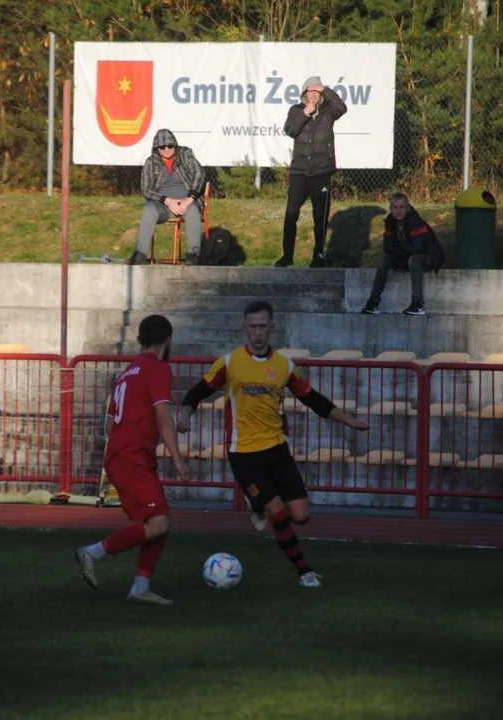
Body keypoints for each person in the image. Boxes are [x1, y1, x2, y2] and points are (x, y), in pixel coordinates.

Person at [177, 300, 368, 588]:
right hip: (243, 454)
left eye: (262, 326)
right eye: (252, 326)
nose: (257, 332)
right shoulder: (229, 363)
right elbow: (197, 392)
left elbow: (312, 399)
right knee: (277, 513)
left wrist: (348, 419)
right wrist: (185, 414)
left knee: (301, 516)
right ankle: (304, 571)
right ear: (244, 328)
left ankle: (256, 502)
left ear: (271, 327)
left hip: (277, 450)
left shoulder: (284, 366)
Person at [75, 314, 189, 605]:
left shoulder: (126, 373)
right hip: (132, 457)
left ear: (139, 340)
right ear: (168, 339)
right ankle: (93, 552)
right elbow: (163, 416)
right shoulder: (158, 368)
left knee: (158, 520)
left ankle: (140, 587)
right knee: (159, 522)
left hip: (120, 455)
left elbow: (110, 424)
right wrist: (177, 457)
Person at [277, 77, 347, 268]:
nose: (314, 95)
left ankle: (318, 255)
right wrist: (305, 113)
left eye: (317, 92)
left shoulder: (328, 112)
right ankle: (287, 255)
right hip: (299, 172)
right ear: (304, 94)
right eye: (311, 91)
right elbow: (290, 131)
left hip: (321, 172)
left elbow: (341, 107)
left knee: (319, 216)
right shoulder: (296, 110)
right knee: (291, 214)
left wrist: (325, 89)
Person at [127, 129, 206, 266]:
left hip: (187, 202)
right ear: (156, 148)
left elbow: (199, 173)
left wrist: (190, 198)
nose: (167, 149)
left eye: (170, 145)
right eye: (162, 147)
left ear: (175, 145)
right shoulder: (151, 162)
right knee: (149, 209)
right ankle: (140, 254)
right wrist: (167, 201)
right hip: (163, 205)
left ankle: (194, 254)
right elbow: (146, 190)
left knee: (193, 211)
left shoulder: (185, 155)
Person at [360, 193, 444, 316]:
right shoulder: (390, 221)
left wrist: (399, 247)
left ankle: (417, 303)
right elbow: (387, 247)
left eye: (401, 207)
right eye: (395, 207)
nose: (398, 211)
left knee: (414, 260)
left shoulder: (416, 222)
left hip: (428, 257)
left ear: (408, 208)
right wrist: (400, 249)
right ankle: (373, 302)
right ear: (391, 209)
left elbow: (418, 249)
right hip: (407, 256)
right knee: (384, 258)